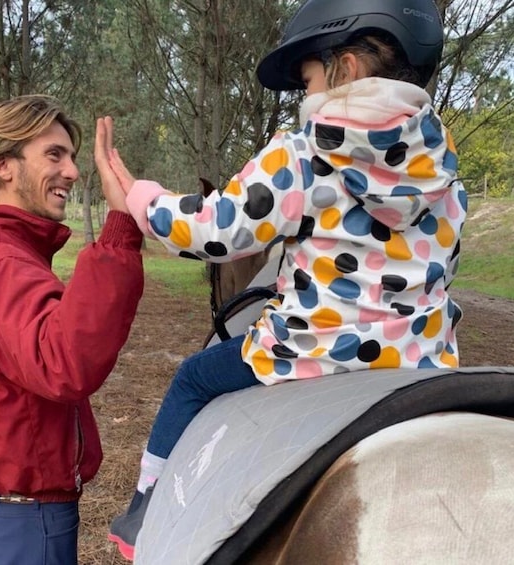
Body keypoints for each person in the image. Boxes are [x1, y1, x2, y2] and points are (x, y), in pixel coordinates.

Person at [102, 0, 467, 559]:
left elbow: (214, 231)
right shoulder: (445, 173)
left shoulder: (305, 153)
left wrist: (139, 197)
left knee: (194, 379)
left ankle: (146, 512)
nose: (306, 95)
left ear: (345, 69)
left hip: (307, 350)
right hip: (422, 360)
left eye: (309, 79)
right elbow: (439, 269)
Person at [0, 95, 144, 564]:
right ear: (2, 165)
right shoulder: (3, 265)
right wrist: (120, 228)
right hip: (23, 524)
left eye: (71, 157)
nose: (72, 172)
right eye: (54, 154)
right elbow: (66, 362)